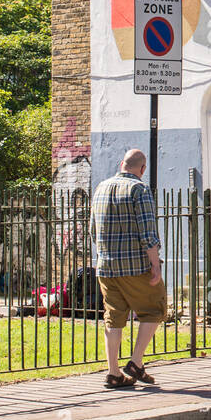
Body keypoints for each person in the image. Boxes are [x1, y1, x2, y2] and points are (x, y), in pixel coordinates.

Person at [89, 148, 166, 389]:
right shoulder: (139, 189)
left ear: (121, 163)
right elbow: (148, 232)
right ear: (142, 169)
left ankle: (113, 373)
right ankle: (135, 362)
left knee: (113, 318)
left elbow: (93, 230)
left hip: (106, 267)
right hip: (135, 266)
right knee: (155, 309)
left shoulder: (100, 187)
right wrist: (155, 264)